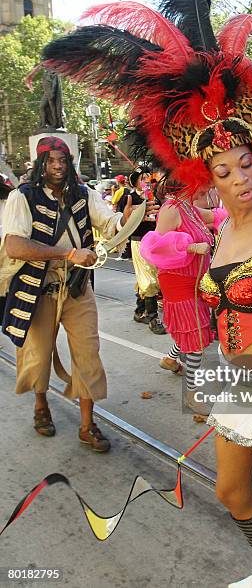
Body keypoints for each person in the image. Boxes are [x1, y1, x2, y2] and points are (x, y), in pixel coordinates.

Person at [40, 0, 252, 584]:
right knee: (231, 493)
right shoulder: (216, 238)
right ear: (207, 176)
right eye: (224, 170)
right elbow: (208, 315)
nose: (239, 176)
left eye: (245, 162)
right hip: (234, 380)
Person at [0, 136, 138, 452]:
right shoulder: (23, 197)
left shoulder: (84, 193)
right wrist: (68, 254)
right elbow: (14, 246)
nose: (58, 166)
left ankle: (88, 425)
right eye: (50, 161)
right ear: (40, 163)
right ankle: (40, 406)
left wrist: (126, 218)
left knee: (88, 354)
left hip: (77, 288)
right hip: (38, 288)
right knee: (37, 354)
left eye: (62, 160)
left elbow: (110, 225)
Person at [140, 179, 224, 415]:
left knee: (192, 328)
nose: (207, 186)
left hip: (196, 281)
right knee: (196, 336)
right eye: (204, 181)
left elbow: (217, 216)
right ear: (190, 182)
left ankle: (170, 359)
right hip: (179, 282)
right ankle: (192, 396)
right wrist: (190, 247)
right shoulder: (171, 208)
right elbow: (154, 248)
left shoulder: (189, 208)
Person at [117, 166, 165, 333]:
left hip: (155, 241)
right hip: (139, 241)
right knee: (148, 279)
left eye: (147, 178)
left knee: (150, 276)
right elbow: (121, 219)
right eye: (142, 178)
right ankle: (153, 318)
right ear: (135, 181)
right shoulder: (129, 198)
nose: (146, 182)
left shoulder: (156, 197)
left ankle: (139, 311)